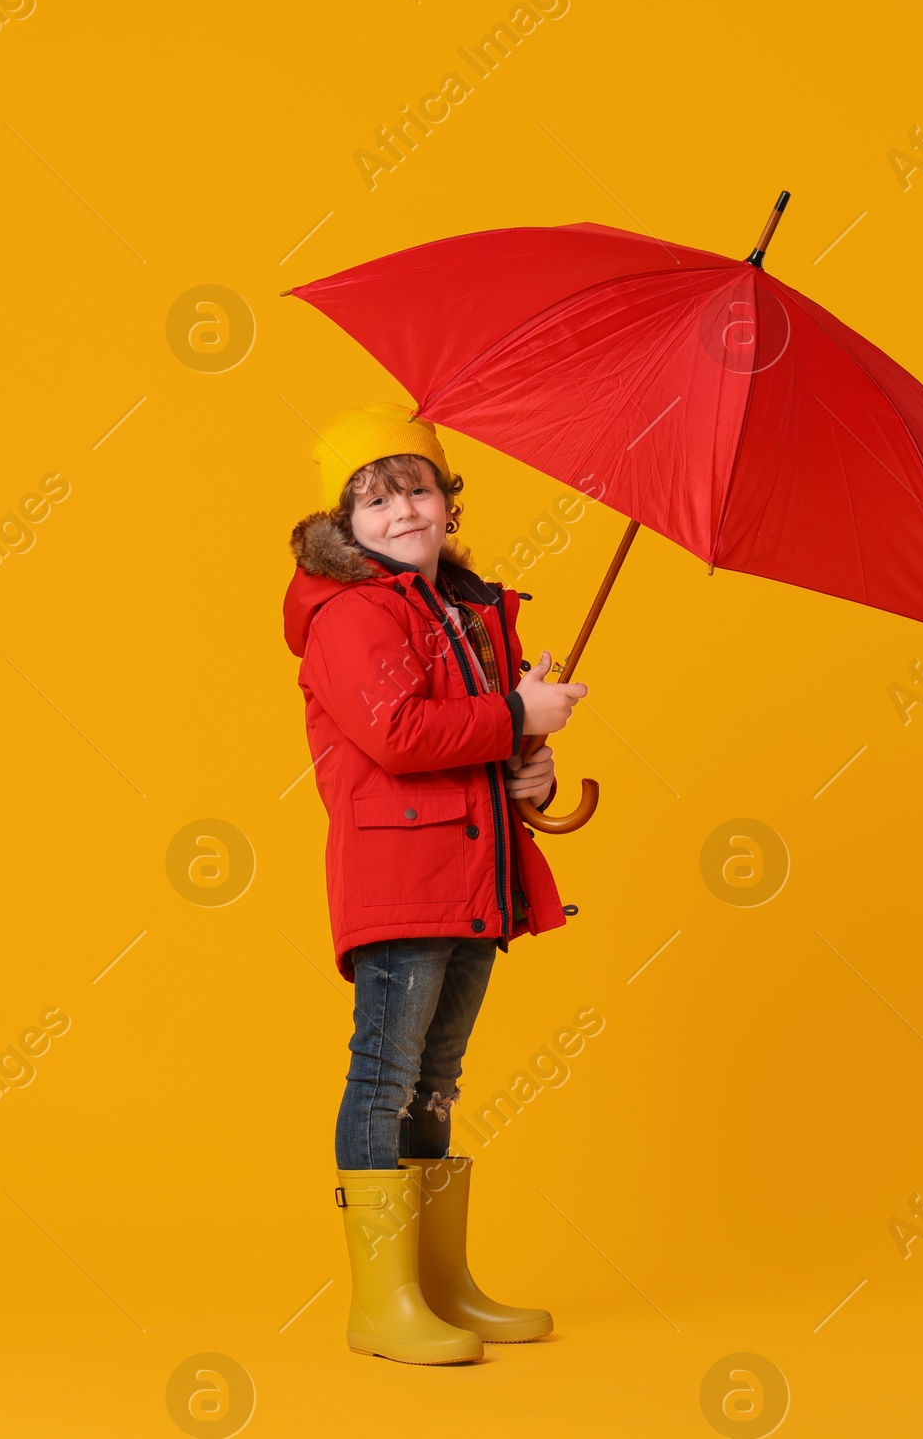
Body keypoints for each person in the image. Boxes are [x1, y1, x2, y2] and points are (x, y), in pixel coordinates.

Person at [283, 402, 588, 1365]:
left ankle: (438, 1285)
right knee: (384, 1074)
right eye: (374, 498)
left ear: (449, 502)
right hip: (400, 875)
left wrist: (528, 761)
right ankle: (383, 1302)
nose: (402, 508)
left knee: (437, 1077)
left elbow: (480, 749)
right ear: (342, 526)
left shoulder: (461, 607)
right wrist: (511, 712)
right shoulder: (350, 613)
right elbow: (398, 734)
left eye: (416, 485)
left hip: (471, 871)